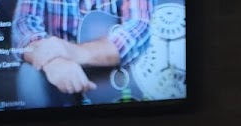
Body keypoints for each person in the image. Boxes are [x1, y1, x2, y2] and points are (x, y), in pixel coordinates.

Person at [12, 0, 152, 105]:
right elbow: (23, 26)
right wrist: (53, 61)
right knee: (29, 75)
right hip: (56, 77)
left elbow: (139, 27)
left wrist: (72, 51)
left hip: (114, 79)